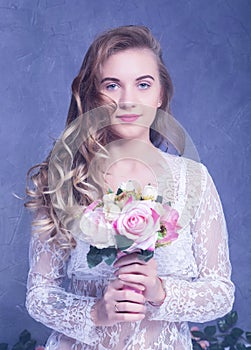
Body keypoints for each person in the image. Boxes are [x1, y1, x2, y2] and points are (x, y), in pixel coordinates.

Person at [25, 25, 235, 350]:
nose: (127, 101)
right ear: (94, 95)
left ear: (161, 93)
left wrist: (160, 291)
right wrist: (94, 313)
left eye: (143, 84)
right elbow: (39, 295)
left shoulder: (193, 180)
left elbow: (220, 292)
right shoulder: (66, 179)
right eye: (112, 85)